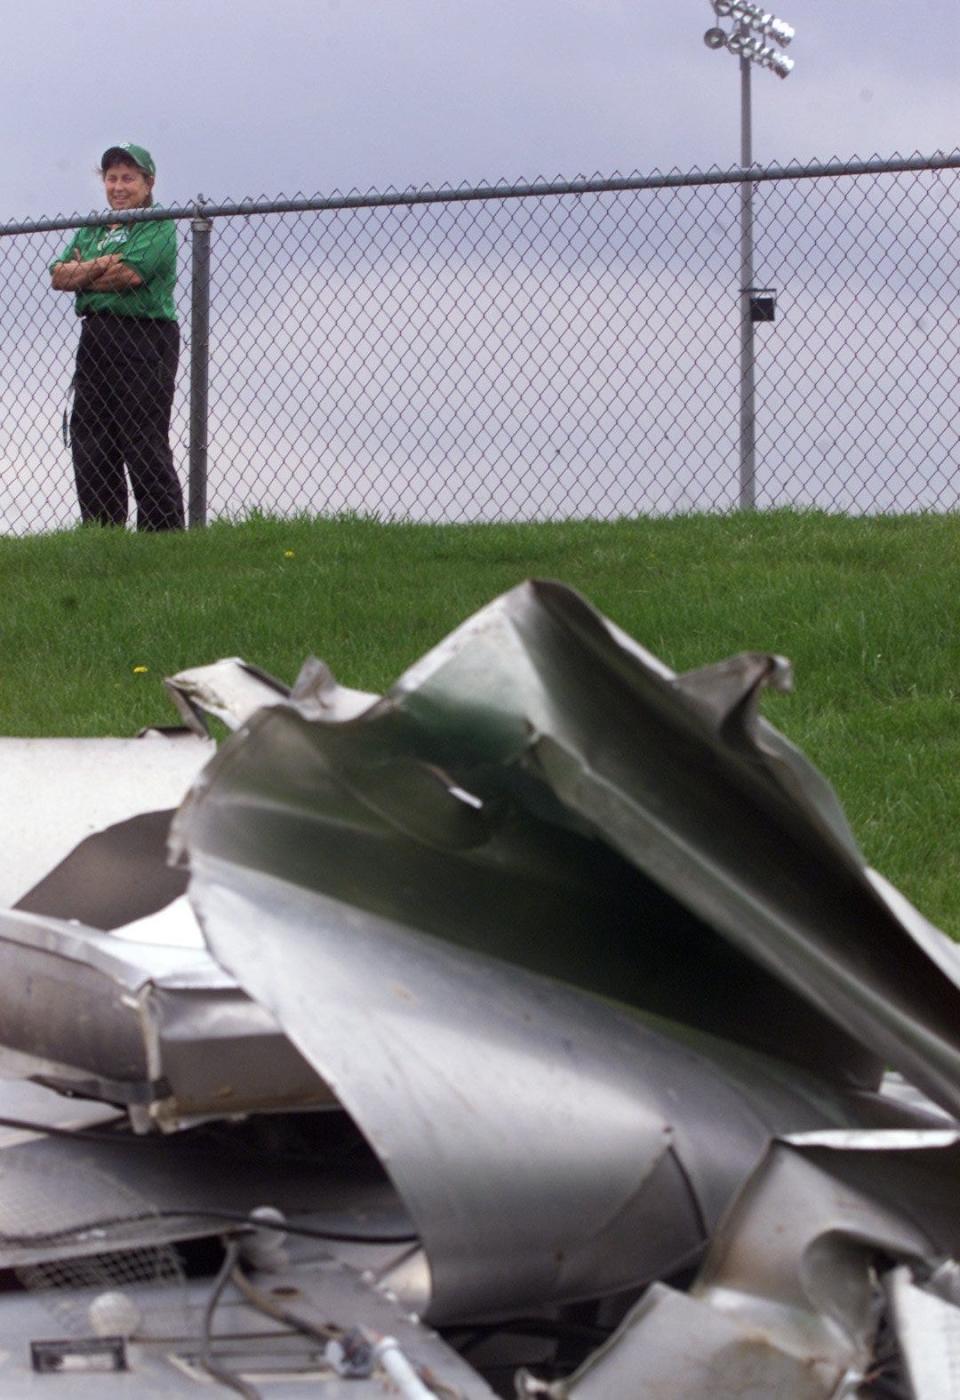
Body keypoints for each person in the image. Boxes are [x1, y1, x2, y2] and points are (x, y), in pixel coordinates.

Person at [50, 143, 184, 531]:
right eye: (112, 178)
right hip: (96, 337)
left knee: (141, 437)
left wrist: (85, 275)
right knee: (91, 436)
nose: (119, 186)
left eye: (128, 178)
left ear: (148, 182)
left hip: (145, 337)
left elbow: (131, 275)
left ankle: (163, 532)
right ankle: (103, 531)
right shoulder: (93, 227)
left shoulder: (157, 223)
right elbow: (59, 275)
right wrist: (103, 265)